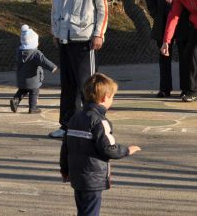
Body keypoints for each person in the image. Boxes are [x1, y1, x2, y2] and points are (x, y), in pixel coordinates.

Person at [49, 0, 108, 139]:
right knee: (68, 86)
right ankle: (67, 126)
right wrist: (55, 30)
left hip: (85, 39)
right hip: (64, 37)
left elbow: (102, 8)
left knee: (88, 86)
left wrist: (98, 33)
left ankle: (94, 126)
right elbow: (56, 4)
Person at [60, 73, 141, 216]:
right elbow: (108, 148)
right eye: (112, 97)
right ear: (105, 98)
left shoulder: (75, 118)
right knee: (91, 211)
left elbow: (65, 147)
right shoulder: (100, 122)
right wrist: (127, 150)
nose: (112, 100)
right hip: (92, 177)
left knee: (83, 210)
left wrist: (65, 169)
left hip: (77, 174)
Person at [146, 0, 194, 97]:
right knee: (164, 55)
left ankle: (186, 88)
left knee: (184, 56)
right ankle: (165, 88)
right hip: (163, 20)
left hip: (183, 22)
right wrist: (156, 13)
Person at [10, 25, 58, 114]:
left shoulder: (19, 51)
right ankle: (33, 108)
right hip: (33, 79)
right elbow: (44, 61)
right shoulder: (36, 53)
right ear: (33, 42)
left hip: (21, 78)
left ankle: (15, 100)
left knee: (22, 90)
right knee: (34, 92)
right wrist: (53, 67)